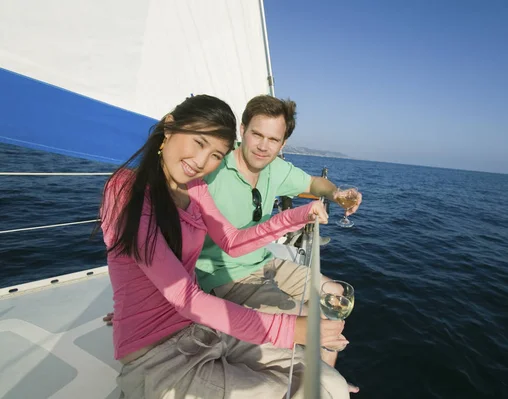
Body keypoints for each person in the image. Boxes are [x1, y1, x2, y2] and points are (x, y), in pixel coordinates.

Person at [99, 94, 350, 398]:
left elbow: (232, 242)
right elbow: (182, 295)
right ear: (169, 128)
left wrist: (297, 216)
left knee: (329, 384)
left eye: (217, 155)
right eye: (199, 142)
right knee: (291, 390)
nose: (202, 163)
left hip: (202, 331)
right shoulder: (126, 190)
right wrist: (288, 329)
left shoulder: (195, 187)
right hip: (157, 356)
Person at [194, 95, 362, 391]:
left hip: (265, 261)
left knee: (334, 293)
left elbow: (314, 184)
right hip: (227, 275)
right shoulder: (215, 168)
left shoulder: (275, 168)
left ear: (283, 144)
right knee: (320, 326)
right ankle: (324, 384)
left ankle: (320, 376)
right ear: (242, 130)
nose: (263, 146)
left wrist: (336, 193)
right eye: (256, 134)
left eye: (273, 139)